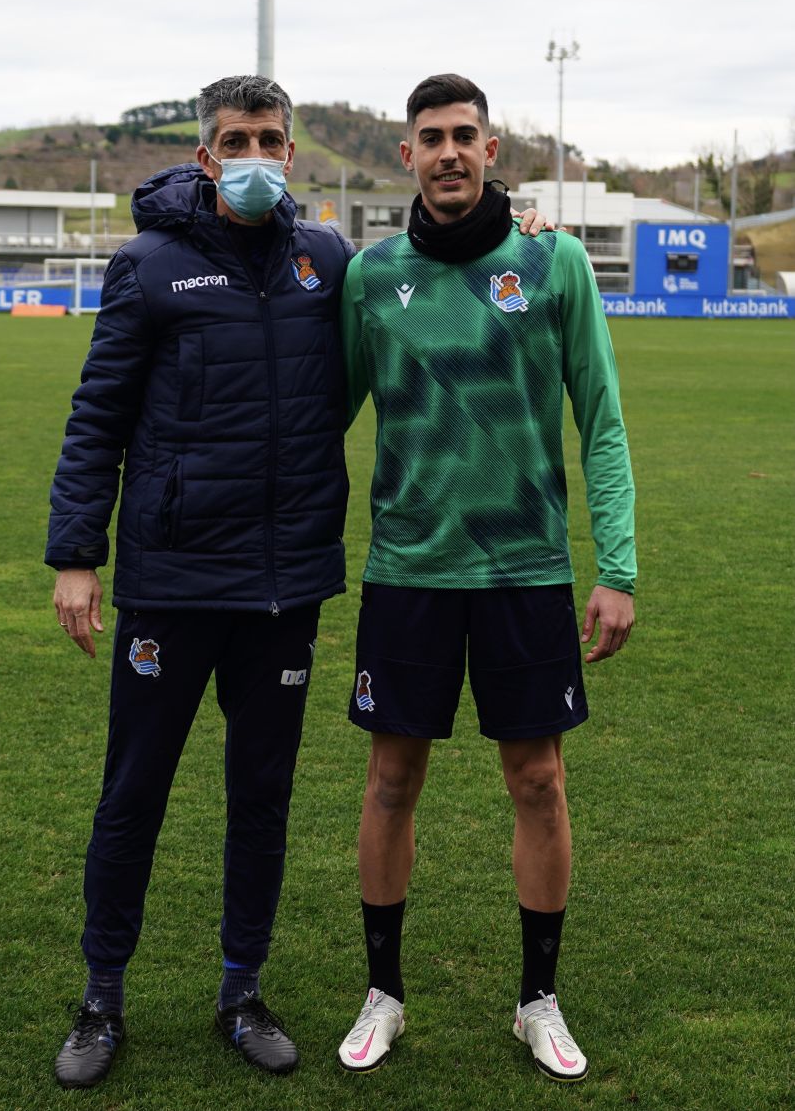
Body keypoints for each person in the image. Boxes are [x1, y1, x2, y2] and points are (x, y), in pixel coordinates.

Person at [46, 73, 550, 1090]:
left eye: (270, 140)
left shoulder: (329, 262)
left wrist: (517, 231)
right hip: (174, 581)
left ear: (293, 156)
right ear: (204, 155)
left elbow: (431, 268)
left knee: (260, 798)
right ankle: (103, 996)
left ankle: (241, 989)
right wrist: (75, 555)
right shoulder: (146, 267)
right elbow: (97, 414)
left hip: (283, 588)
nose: (254, 157)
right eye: (235, 139)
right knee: (132, 793)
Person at [336, 74, 636, 1084]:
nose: (451, 152)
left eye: (466, 135)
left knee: (539, 781)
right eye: (432, 138)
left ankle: (537, 1001)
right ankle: (384, 995)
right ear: (407, 156)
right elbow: (320, 420)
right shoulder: (372, 278)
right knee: (390, 781)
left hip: (524, 573)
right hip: (409, 571)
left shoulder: (553, 265)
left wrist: (619, 568)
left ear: (492, 148)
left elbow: (601, 420)